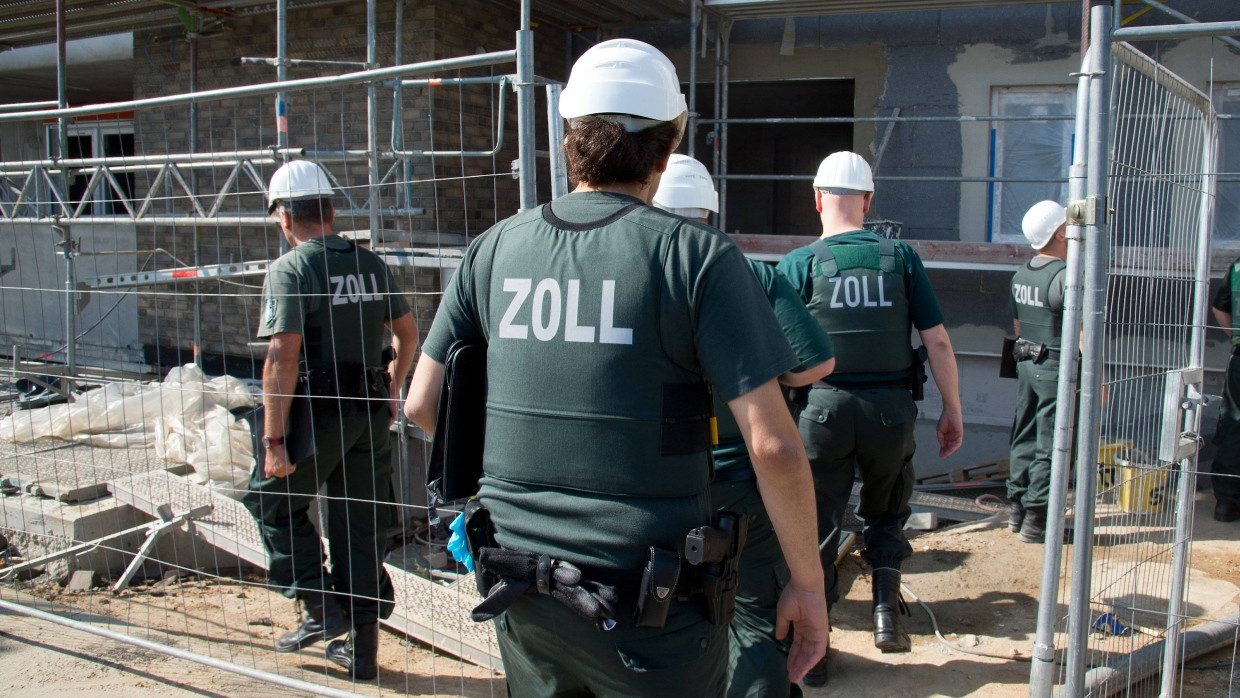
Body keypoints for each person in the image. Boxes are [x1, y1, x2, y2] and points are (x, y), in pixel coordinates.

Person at [403, 39, 828, 697]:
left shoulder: (491, 251)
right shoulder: (697, 258)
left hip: (519, 585)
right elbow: (771, 445)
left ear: (571, 137)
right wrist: (806, 582)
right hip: (648, 608)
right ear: (665, 151)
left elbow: (422, 405)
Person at [776, 151, 963, 686]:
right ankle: (886, 614)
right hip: (890, 412)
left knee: (816, 525)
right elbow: (939, 340)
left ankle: (816, 649)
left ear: (817, 199)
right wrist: (953, 408)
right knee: (886, 511)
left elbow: (774, 350)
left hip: (822, 412)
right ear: (868, 201)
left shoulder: (799, 263)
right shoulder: (901, 258)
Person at [653, 153, 836, 698]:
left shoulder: (631, 267)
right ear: (711, 211)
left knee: (654, 622)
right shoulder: (746, 270)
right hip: (740, 486)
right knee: (755, 618)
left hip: (653, 486)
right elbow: (815, 364)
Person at [241, 160, 418, 680]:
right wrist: (390, 392)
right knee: (358, 527)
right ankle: (361, 655)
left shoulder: (291, 269)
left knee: (271, 504)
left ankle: (323, 609)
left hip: (316, 414)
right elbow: (408, 334)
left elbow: (282, 358)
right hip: (367, 411)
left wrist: (275, 439)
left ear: (283, 217)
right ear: (332, 209)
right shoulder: (371, 263)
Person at [1007, 200, 1070, 542]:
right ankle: (1037, 518)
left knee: (1025, 432)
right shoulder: (1064, 277)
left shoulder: (1022, 273)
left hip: (1027, 362)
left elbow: (1018, 325)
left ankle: (1016, 509)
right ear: (1061, 233)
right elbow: (1081, 332)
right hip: (1055, 366)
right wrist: (1098, 379)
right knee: (1051, 441)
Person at [1210, 255, 1240, 523]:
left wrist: (1237, 337)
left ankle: (1227, 503)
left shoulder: (1237, 266)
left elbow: (1220, 309)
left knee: (1235, 426)